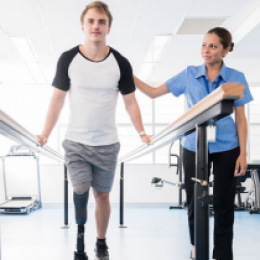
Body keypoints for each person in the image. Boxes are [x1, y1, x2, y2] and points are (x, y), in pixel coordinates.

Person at [37, 2, 150, 260]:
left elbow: (130, 101)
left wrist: (142, 132)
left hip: (108, 144)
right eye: (91, 21)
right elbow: (57, 99)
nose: (96, 26)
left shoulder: (120, 62)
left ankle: (101, 242)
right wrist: (44, 133)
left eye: (101, 22)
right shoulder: (68, 58)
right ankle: (79, 240)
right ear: (83, 26)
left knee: (101, 195)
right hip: (76, 142)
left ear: (108, 27)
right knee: (80, 187)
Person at [133, 27, 253, 260]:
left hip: (227, 146)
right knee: (193, 200)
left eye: (213, 46)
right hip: (193, 145)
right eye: (203, 45)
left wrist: (244, 153)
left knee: (224, 202)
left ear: (226, 50)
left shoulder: (236, 77)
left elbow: (241, 118)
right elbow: (153, 92)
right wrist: (129, 75)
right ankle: (196, 246)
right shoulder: (189, 74)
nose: (206, 50)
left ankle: (222, 253)